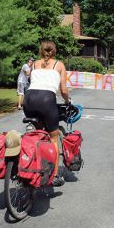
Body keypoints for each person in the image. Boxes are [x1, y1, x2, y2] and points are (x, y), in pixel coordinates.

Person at [23, 41, 70, 186]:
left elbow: (32, 81)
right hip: (46, 100)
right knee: (53, 137)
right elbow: (63, 90)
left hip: (29, 99)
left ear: (41, 51)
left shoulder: (35, 64)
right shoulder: (59, 65)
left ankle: (34, 161)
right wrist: (68, 101)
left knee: (37, 133)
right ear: (54, 51)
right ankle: (55, 175)